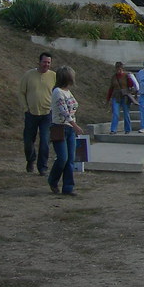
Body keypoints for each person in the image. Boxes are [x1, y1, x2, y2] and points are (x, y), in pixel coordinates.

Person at [18, 52, 56, 174]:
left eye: (49, 62)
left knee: (45, 141)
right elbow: (21, 92)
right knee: (28, 142)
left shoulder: (54, 76)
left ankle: (42, 167)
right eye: (44, 62)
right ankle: (30, 160)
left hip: (47, 114)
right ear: (39, 62)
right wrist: (25, 108)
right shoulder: (29, 75)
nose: (46, 65)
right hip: (31, 114)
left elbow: (58, 93)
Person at [48, 65, 83, 196]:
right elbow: (64, 112)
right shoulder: (57, 92)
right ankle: (53, 179)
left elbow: (74, 105)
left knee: (70, 159)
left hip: (69, 128)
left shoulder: (67, 92)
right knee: (62, 157)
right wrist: (75, 125)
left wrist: (72, 122)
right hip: (60, 127)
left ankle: (68, 187)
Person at [105, 61, 139, 134]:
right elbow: (111, 88)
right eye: (117, 69)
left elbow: (131, 85)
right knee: (115, 113)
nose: (119, 71)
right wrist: (108, 98)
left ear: (122, 69)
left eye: (120, 69)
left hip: (125, 95)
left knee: (126, 113)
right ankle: (113, 129)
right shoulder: (114, 77)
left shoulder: (126, 76)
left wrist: (130, 79)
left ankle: (127, 129)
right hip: (116, 95)